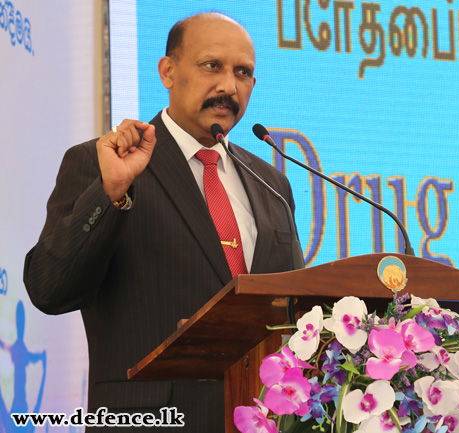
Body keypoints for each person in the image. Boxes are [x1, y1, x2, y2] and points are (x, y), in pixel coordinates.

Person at [23, 12, 299, 432]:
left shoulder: (272, 183)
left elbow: (295, 313)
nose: (229, 85)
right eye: (212, 66)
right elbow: (49, 289)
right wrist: (111, 193)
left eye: (243, 72)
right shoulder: (104, 164)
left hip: (261, 417)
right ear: (168, 71)